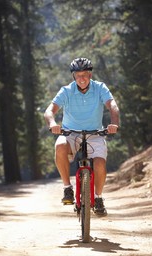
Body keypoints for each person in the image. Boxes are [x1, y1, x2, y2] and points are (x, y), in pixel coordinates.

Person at [44, 57, 119, 216]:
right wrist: (52, 124)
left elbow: (112, 106)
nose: (81, 79)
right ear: (73, 77)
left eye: (84, 75)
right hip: (70, 133)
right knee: (60, 146)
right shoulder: (66, 91)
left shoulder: (100, 88)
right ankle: (67, 188)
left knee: (99, 163)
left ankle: (98, 198)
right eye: (78, 76)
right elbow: (49, 111)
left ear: (90, 75)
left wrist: (114, 123)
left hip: (95, 133)